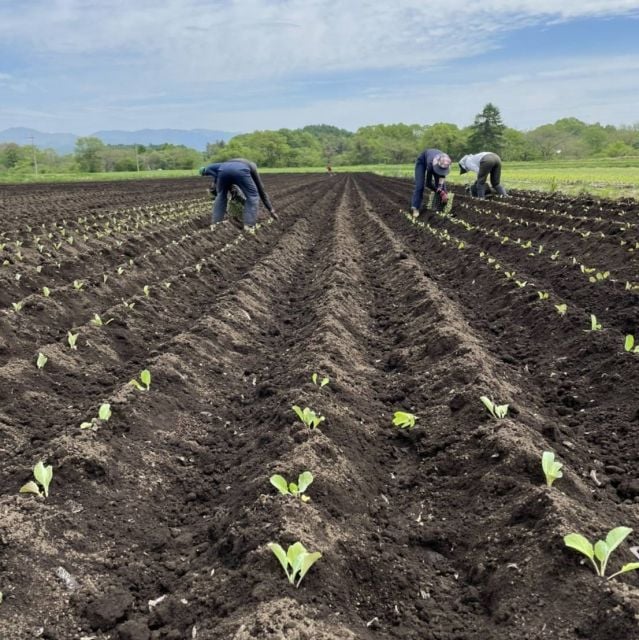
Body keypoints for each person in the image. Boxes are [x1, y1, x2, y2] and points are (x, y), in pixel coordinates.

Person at [199, 158, 277, 229]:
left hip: (223, 171)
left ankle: (215, 224)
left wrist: (219, 187)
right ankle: (248, 226)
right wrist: (271, 209)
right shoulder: (252, 167)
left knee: (221, 195)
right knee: (253, 195)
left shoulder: (225, 164)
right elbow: (261, 190)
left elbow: (215, 175)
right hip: (240, 170)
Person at [410, 149, 452, 216]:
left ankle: (440, 208)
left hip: (437, 162)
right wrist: (440, 192)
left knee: (442, 187)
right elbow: (428, 183)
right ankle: (415, 208)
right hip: (422, 161)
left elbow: (442, 177)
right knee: (420, 185)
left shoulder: (445, 162)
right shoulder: (430, 164)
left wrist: (441, 190)